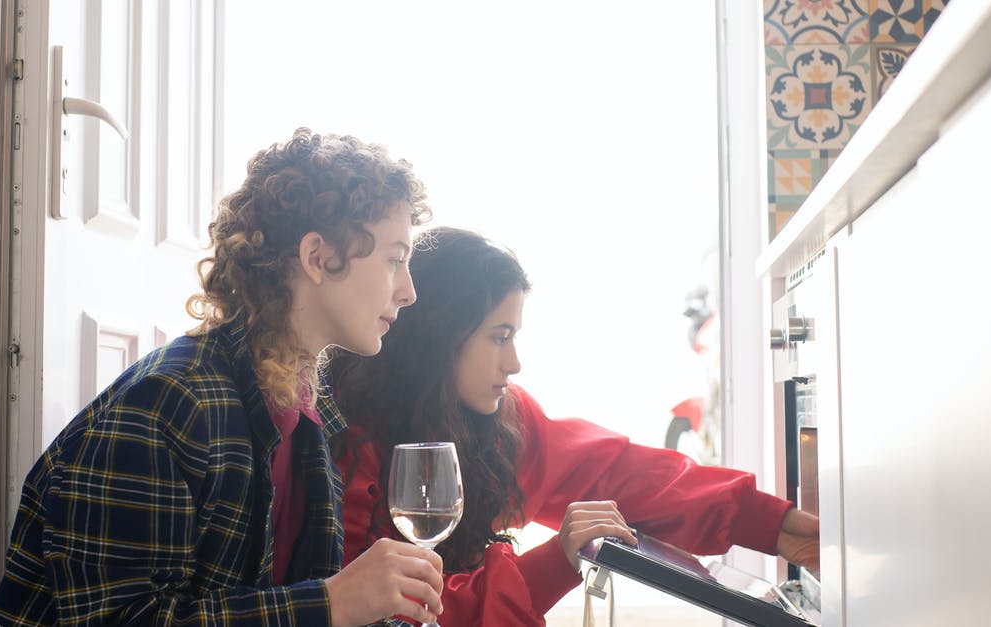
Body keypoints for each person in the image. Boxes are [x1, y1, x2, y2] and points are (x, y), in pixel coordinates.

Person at [0, 128, 446, 626]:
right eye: (395, 260)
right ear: (316, 258)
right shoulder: (168, 404)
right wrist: (332, 603)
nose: (409, 291)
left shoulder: (308, 412)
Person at [329, 227, 820, 626]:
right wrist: (551, 564)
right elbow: (391, 614)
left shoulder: (499, 426)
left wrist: (776, 526)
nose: (515, 362)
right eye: (500, 338)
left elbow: (621, 474)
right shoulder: (347, 443)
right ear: (440, 337)